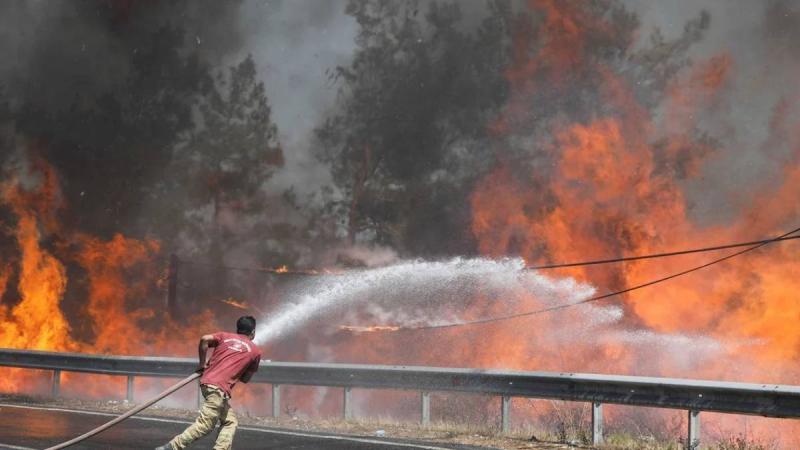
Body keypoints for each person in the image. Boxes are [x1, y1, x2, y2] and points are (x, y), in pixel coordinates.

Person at [156, 316, 262, 450]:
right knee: (205, 425)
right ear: (253, 332)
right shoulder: (255, 351)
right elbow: (245, 379)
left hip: (208, 384)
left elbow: (205, 339)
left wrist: (202, 363)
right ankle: (170, 447)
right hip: (218, 389)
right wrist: (240, 365)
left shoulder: (225, 336)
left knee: (230, 422)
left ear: (237, 329)